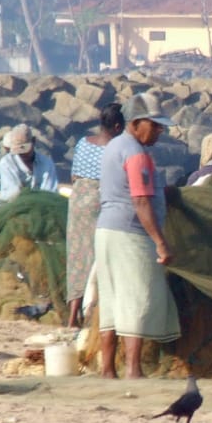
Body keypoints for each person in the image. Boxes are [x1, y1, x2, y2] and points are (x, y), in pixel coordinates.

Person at [95, 92, 180, 378]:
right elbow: (141, 201)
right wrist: (160, 242)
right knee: (136, 297)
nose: (160, 131)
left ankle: (107, 369)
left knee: (110, 299)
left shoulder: (113, 145)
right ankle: (133, 368)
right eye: (155, 125)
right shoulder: (135, 153)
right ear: (136, 123)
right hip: (130, 234)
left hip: (105, 230)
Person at [65, 103, 125, 328]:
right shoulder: (116, 148)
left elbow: (74, 177)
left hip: (78, 199)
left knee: (77, 256)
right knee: (96, 257)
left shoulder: (83, 143)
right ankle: (93, 314)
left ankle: (72, 316)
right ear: (118, 126)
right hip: (100, 200)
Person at [0, 124, 59, 208]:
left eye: (24, 149)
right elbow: (12, 195)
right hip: (11, 207)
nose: (22, 153)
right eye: (18, 150)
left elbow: (49, 193)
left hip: (42, 206)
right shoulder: (6, 163)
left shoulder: (46, 163)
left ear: (34, 141)